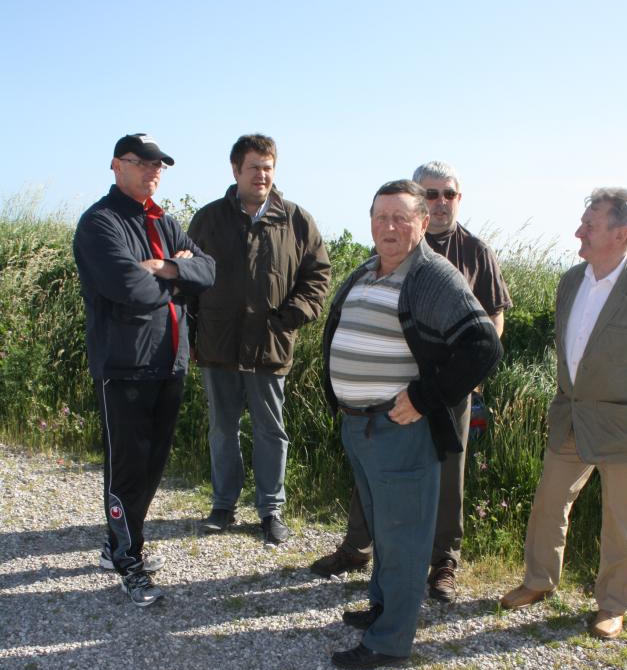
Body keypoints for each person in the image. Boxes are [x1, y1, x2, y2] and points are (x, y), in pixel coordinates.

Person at [311, 160, 511, 602]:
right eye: (432, 193)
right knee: (378, 483)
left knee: (444, 480)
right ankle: (359, 551)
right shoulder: (376, 262)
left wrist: (455, 381)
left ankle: (442, 564)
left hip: (439, 392)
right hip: (385, 406)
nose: (441, 202)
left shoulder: (473, 253)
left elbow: (490, 325)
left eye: (449, 194)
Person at [501, 187, 627, 639]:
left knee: (622, 518)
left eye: (590, 224)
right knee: (549, 501)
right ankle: (539, 581)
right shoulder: (570, 281)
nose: (578, 231)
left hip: (622, 422)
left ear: (620, 234)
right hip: (571, 416)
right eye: (582, 222)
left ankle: (612, 605)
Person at [74, 133, 215, 606]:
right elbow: (128, 288)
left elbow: (209, 272)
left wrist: (167, 268)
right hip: (125, 365)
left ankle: (119, 541)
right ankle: (126, 559)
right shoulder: (100, 224)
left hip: (169, 362)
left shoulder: (165, 222)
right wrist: (177, 276)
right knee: (127, 468)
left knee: (152, 465)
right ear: (117, 165)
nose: (154, 171)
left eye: (160, 165)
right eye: (144, 163)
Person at [187, 134, 331, 545]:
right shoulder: (210, 218)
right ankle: (223, 505)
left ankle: (270, 511)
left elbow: (317, 276)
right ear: (236, 171)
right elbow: (189, 278)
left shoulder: (297, 220)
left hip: (270, 344)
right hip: (218, 344)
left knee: (271, 431)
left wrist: (292, 317)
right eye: (254, 167)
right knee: (222, 429)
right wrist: (192, 334)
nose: (262, 175)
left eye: (268, 167)